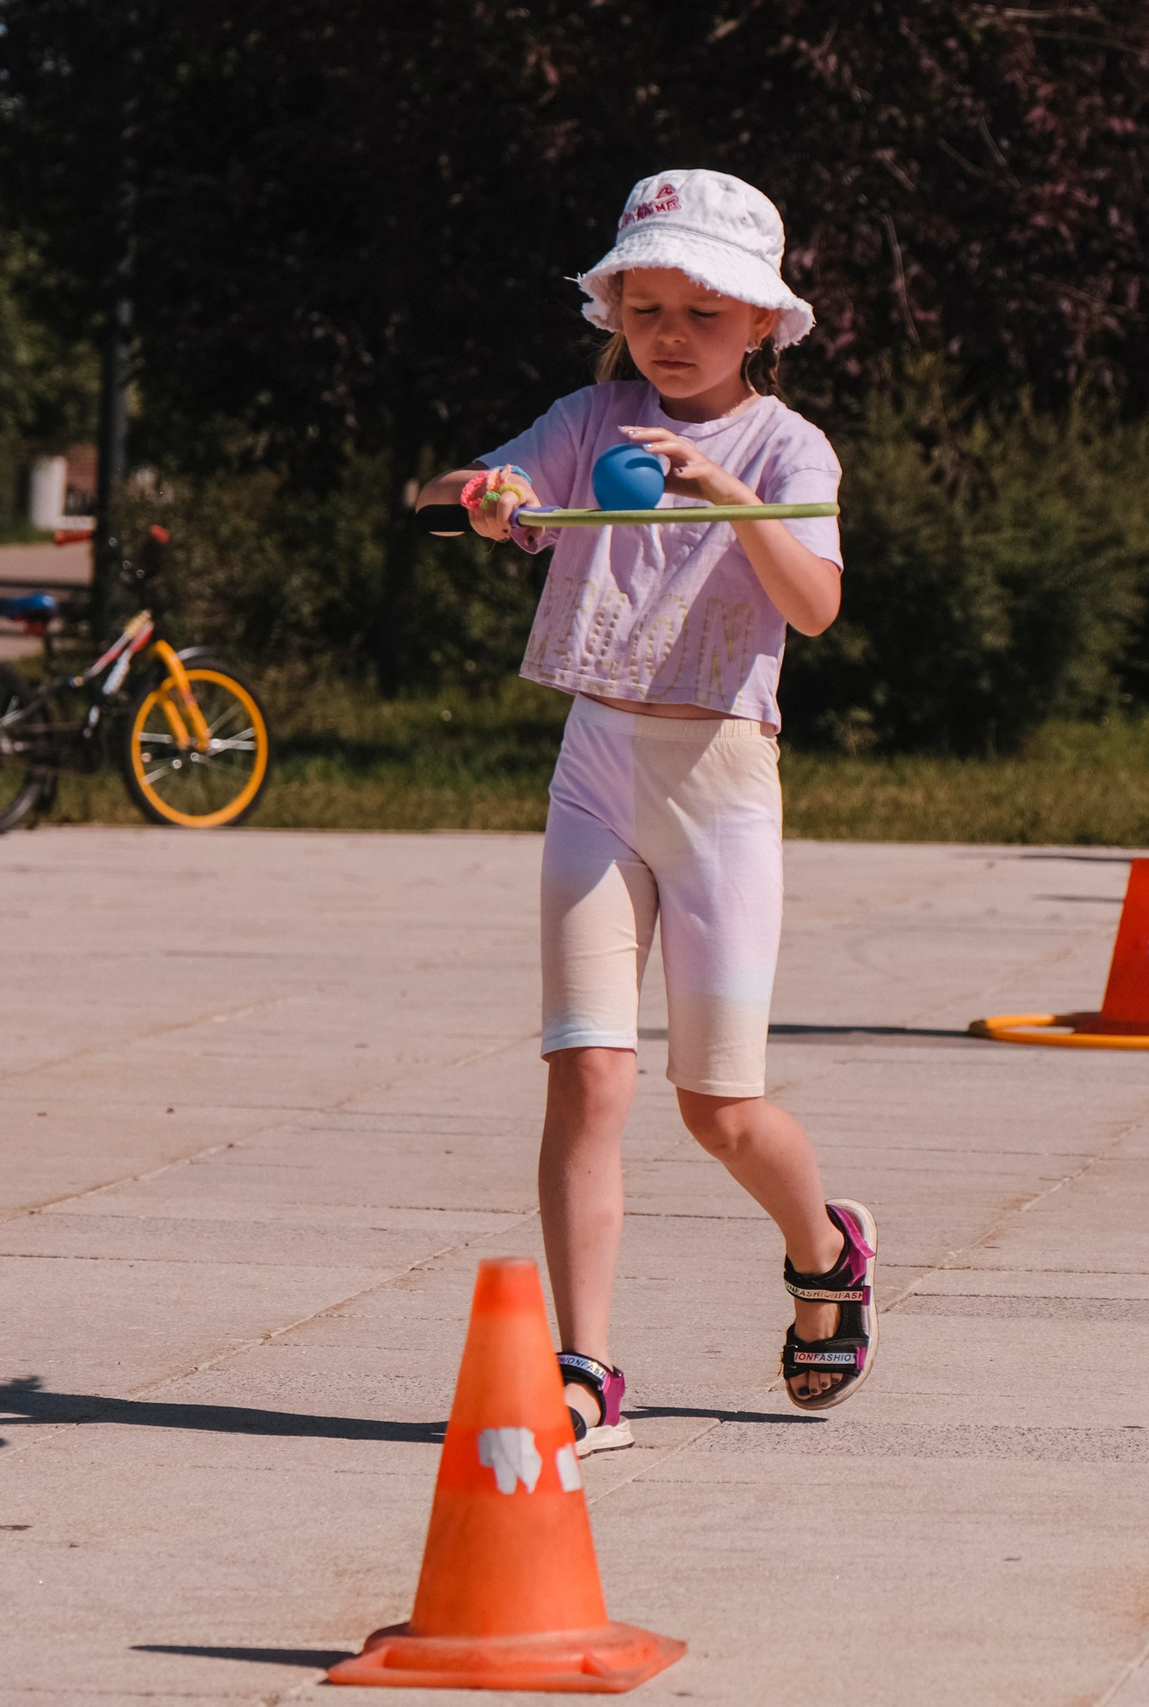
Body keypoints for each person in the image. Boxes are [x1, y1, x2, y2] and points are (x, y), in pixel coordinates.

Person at [412, 170, 875, 1452]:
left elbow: (816, 607)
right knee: (587, 1081)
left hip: (723, 780)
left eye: (703, 312)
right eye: (646, 304)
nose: (670, 335)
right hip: (597, 765)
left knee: (717, 1107)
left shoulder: (787, 450)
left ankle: (826, 1249)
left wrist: (719, 491)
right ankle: (585, 1368)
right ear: (613, 308)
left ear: (761, 325)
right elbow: (467, 487)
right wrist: (488, 494)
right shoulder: (591, 415)